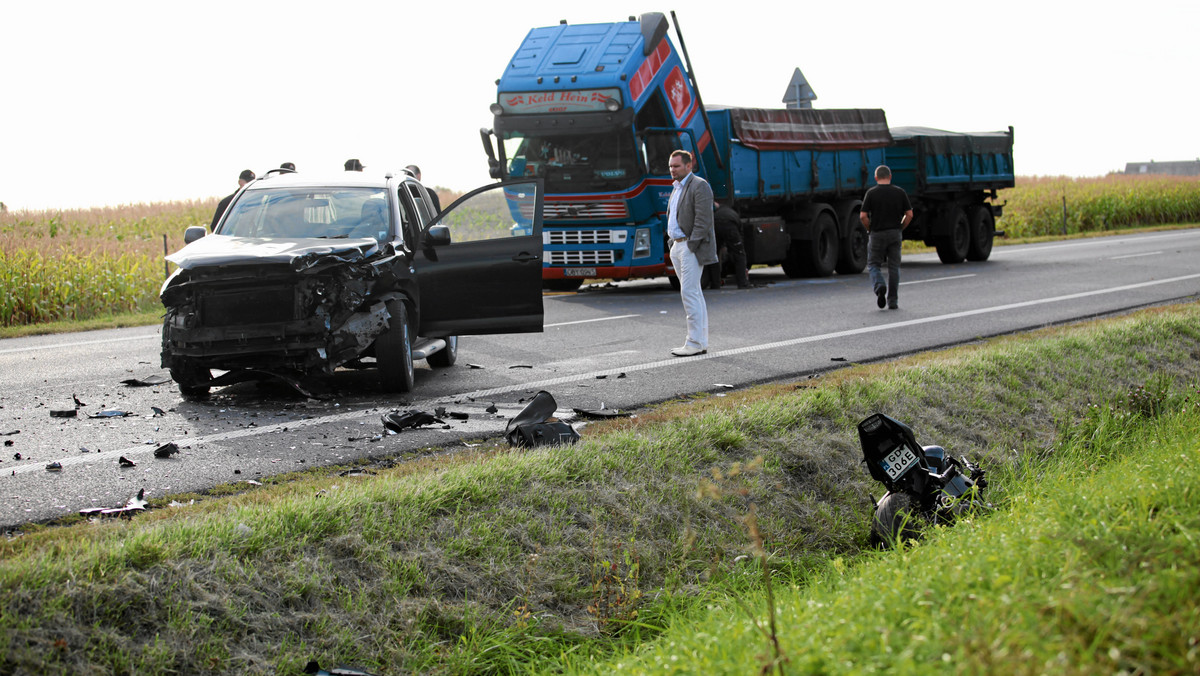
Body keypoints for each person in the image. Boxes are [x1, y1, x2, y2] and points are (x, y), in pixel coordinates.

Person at [666, 150, 717, 357]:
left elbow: (703, 221)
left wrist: (691, 245)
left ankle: (694, 342)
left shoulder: (699, 185)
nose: (672, 170)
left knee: (688, 293)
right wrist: (673, 243)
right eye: (670, 166)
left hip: (689, 246)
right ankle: (700, 341)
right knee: (694, 292)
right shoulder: (676, 187)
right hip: (677, 246)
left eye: (676, 166)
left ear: (689, 165)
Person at [860, 165, 913, 310]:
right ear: (890, 176)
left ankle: (879, 286)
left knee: (873, 264)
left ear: (876, 178)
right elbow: (909, 214)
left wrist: (870, 228)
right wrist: (900, 227)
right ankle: (893, 301)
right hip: (895, 233)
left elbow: (863, 216)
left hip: (877, 233)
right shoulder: (899, 192)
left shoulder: (871, 193)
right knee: (894, 267)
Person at [705, 200, 751, 289]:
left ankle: (715, 283)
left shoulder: (716, 212)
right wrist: (736, 249)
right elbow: (740, 237)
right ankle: (742, 283)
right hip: (731, 227)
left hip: (716, 225)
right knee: (740, 255)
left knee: (714, 255)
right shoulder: (732, 213)